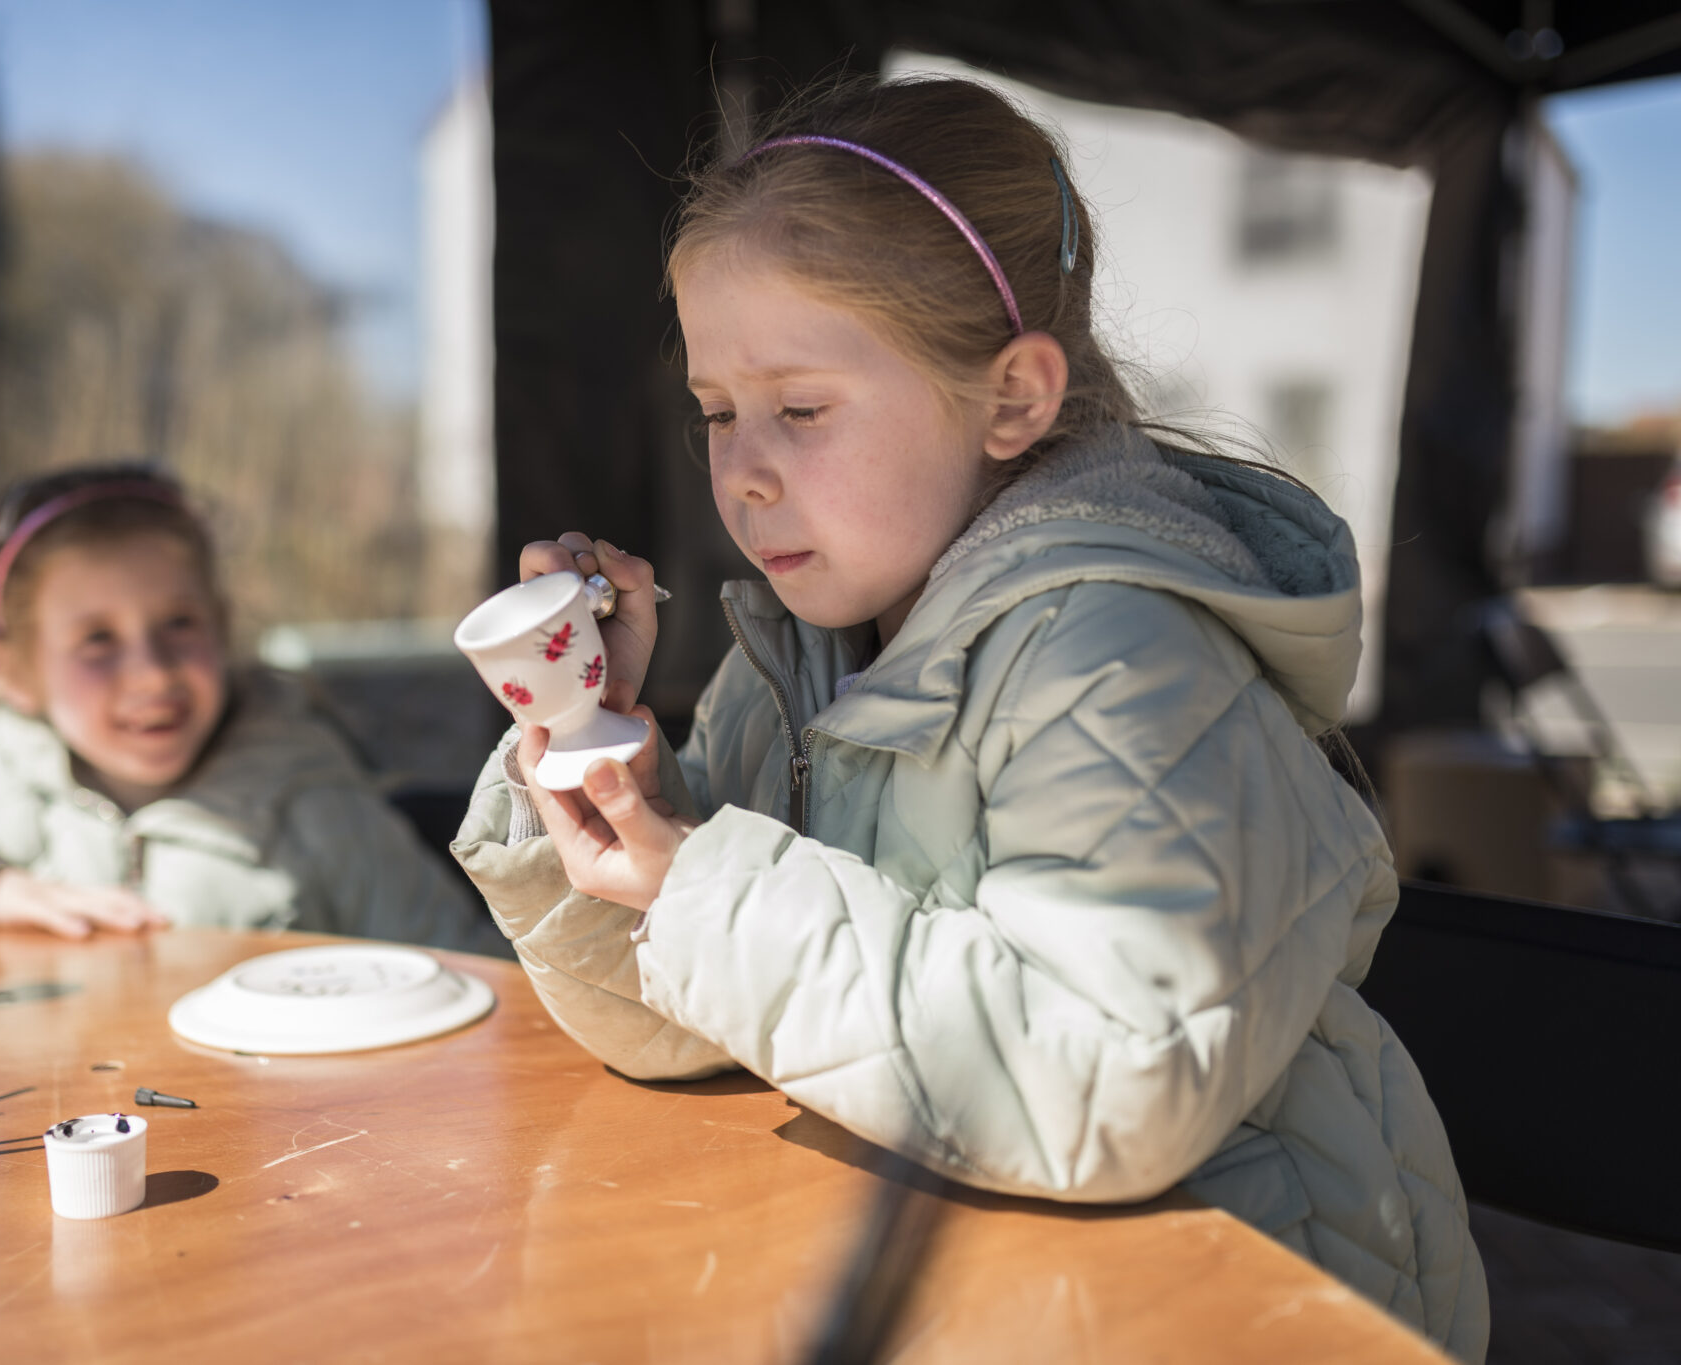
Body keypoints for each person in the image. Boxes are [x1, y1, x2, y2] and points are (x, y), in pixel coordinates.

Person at [452, 76, 1486, 1358]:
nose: (742, 471)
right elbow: (682, 1031)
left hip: (1223, 1303)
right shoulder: (793, 658)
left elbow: (1114, 1076)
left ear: (1010, 400)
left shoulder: (1122, 657)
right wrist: (593, 755)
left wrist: (698, 887)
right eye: (716, 413)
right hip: (944, 1274)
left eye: (800, 409)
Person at [0, 461, 504, 956]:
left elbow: (480, 980)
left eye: (179, 624)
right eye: (96, 640)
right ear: (12, 673)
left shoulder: (315, 803)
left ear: (222, 629)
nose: (151, 672)